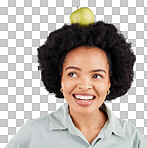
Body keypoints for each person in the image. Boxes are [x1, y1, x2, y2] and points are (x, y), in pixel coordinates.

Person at [6, 21, 147, 148]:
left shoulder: (131, 138)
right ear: (60, 79)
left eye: (97, 76)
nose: (85, 85)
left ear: (109, 82)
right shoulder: (32, 134)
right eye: (72, 74)